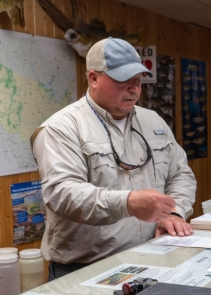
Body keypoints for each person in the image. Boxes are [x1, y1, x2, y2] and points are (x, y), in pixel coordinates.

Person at [30, 37, 197, 281]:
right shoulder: (61, 128)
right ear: (93, 78)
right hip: (85, 270)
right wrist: (127, 203)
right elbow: (63, 193)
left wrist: (174, 213)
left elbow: (180, 173)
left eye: (137, 80)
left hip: (152, 258)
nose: (133, 89)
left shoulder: (153, 121)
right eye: (123, 80)